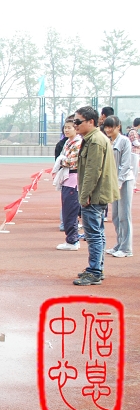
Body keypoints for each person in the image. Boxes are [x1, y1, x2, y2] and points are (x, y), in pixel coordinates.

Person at [72, 106, 119, 286]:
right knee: (97, 232)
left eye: (78, 121)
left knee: (93, 235)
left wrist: (84, 196)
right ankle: (97, 267)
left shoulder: (95, 141)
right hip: (97, 193)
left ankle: (94, 271)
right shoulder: (93, 138)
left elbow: (92, 172)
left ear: (91, 122)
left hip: (94, 195)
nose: (75, 125)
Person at [103, 116, 134, 258]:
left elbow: (126, 164)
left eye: (111, 127)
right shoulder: (108, 141)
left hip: (124, 181)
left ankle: (126, 248)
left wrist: (119, 182)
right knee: (115, 215)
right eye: (106, 127)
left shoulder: (124, 141)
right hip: (113, 182)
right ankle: (119, 244)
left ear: (118, 127)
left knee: (124, 215)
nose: (108, 130)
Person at [52, 117, 82, 251]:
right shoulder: (68, 142)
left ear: (76, 129)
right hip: (67, 179)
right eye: (65, 128)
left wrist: (61, 161)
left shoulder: (78, 142)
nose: (67, 130)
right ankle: (71, 238)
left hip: (73, 180)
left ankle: (72, 240)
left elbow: (72, 162)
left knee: (70, 210)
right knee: (67, 210)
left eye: (69, 127)